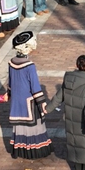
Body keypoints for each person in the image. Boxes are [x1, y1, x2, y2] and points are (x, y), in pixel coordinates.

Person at [7, 31, 53, 160]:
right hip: (29, 103)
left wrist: (9, 94)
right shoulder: (30, 66)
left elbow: (10, 82)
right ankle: (34, 150)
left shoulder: (11, 62)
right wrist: (42, 102)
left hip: (17, 101)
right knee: (34, 126)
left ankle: (19, 149)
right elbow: (35, 87)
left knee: (19, 126)